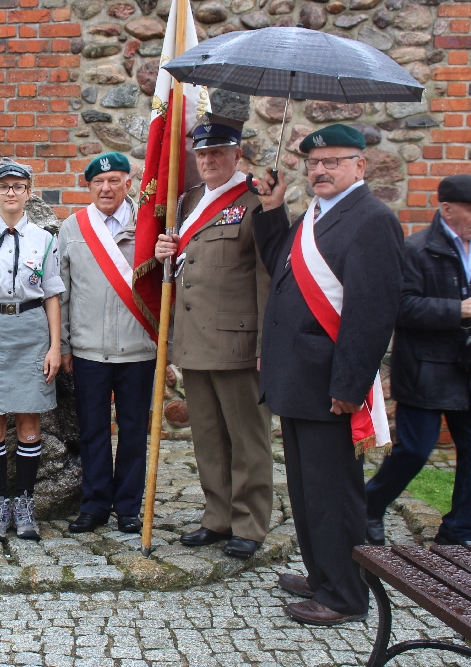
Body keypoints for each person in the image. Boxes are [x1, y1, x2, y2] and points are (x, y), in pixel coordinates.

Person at [253, 124, 403, 626]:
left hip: (328, 384)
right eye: (313, 163)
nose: (319, 170)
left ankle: (344, 596)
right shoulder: (317, 213)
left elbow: (372, 313)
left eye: (332, 162)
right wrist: (273, 210)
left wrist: (348, 386)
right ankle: (324, 574)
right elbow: (281, 267)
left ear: (360, 166)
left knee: (333, 494)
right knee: (307, 490)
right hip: (298, 378)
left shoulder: (372, 220)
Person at [153, 114, 273, 559]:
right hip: (194, 340)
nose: (208, 160)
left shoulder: (257, 202)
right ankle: (217, 517)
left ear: (237, 154)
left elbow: (266, 278)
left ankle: (250, 523)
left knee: (247, 439)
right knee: (207, 436)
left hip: (238, 343)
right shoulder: (187, 201)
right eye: (202, 153)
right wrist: (166, 251)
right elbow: (188, 266)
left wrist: (265, 346)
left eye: (218, 152)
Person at [0, 157, 65, 541]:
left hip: (31, 328)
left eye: (18, 186)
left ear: (28, 193)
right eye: (4, 186)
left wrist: (55, 346)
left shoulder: (44, 239)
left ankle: (24, 501)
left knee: (29, 419)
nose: (11, 193)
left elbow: (52, 294)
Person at [366, 174, 471, 547]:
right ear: (447, 209)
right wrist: (457, 310)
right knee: (414, 449)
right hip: (425, 369)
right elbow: (401, 307)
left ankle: (458, 529)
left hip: (466, 368)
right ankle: (370, 504)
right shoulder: (416, 249)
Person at [59, 152, 157, 534]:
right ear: (88, 187)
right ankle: (96, 503)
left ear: (128, 184)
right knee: (93, 430)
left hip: (138, 349)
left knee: (134, 430)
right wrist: (65, 344)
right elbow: (62, 292)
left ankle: (129, 507)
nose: (106, 188)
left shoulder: (150, 226)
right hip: (88, 349)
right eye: (98, 182)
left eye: (114, 180)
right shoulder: (71, 228)